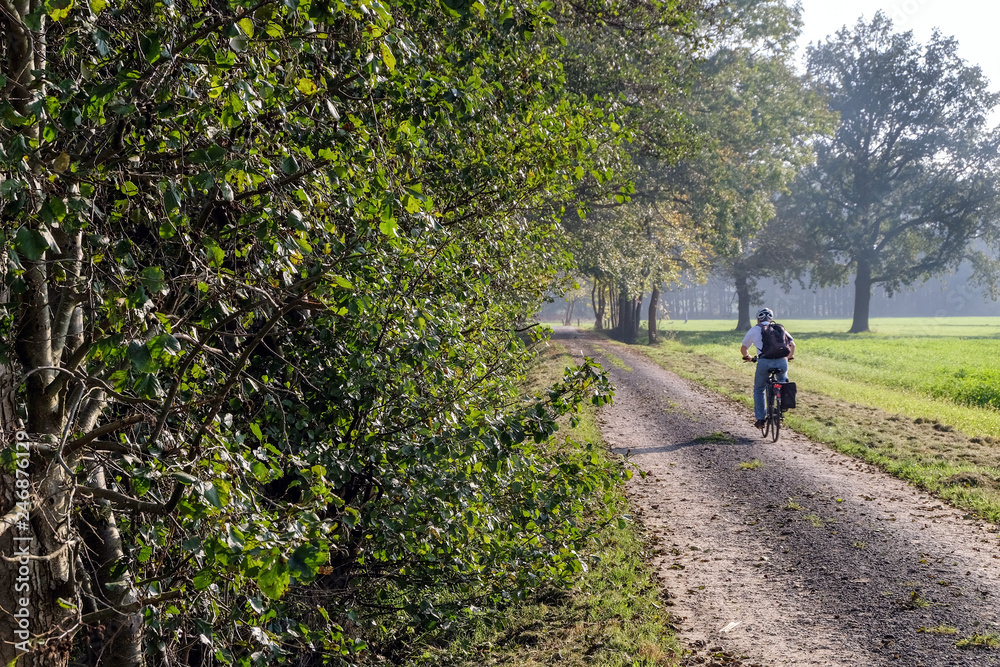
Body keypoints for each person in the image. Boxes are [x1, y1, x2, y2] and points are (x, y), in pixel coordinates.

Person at [740, 308, 795, 429]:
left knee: (759, 389)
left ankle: (760, 419)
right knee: (783, 382)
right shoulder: (779, 328)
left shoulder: (755, 329)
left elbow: (744, 348)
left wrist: (748, 357)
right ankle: (783, 404)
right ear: (771, 319)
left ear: (758, 319)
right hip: (782, 362)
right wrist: (789, 357)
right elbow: (792, 345)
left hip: (764, 362)